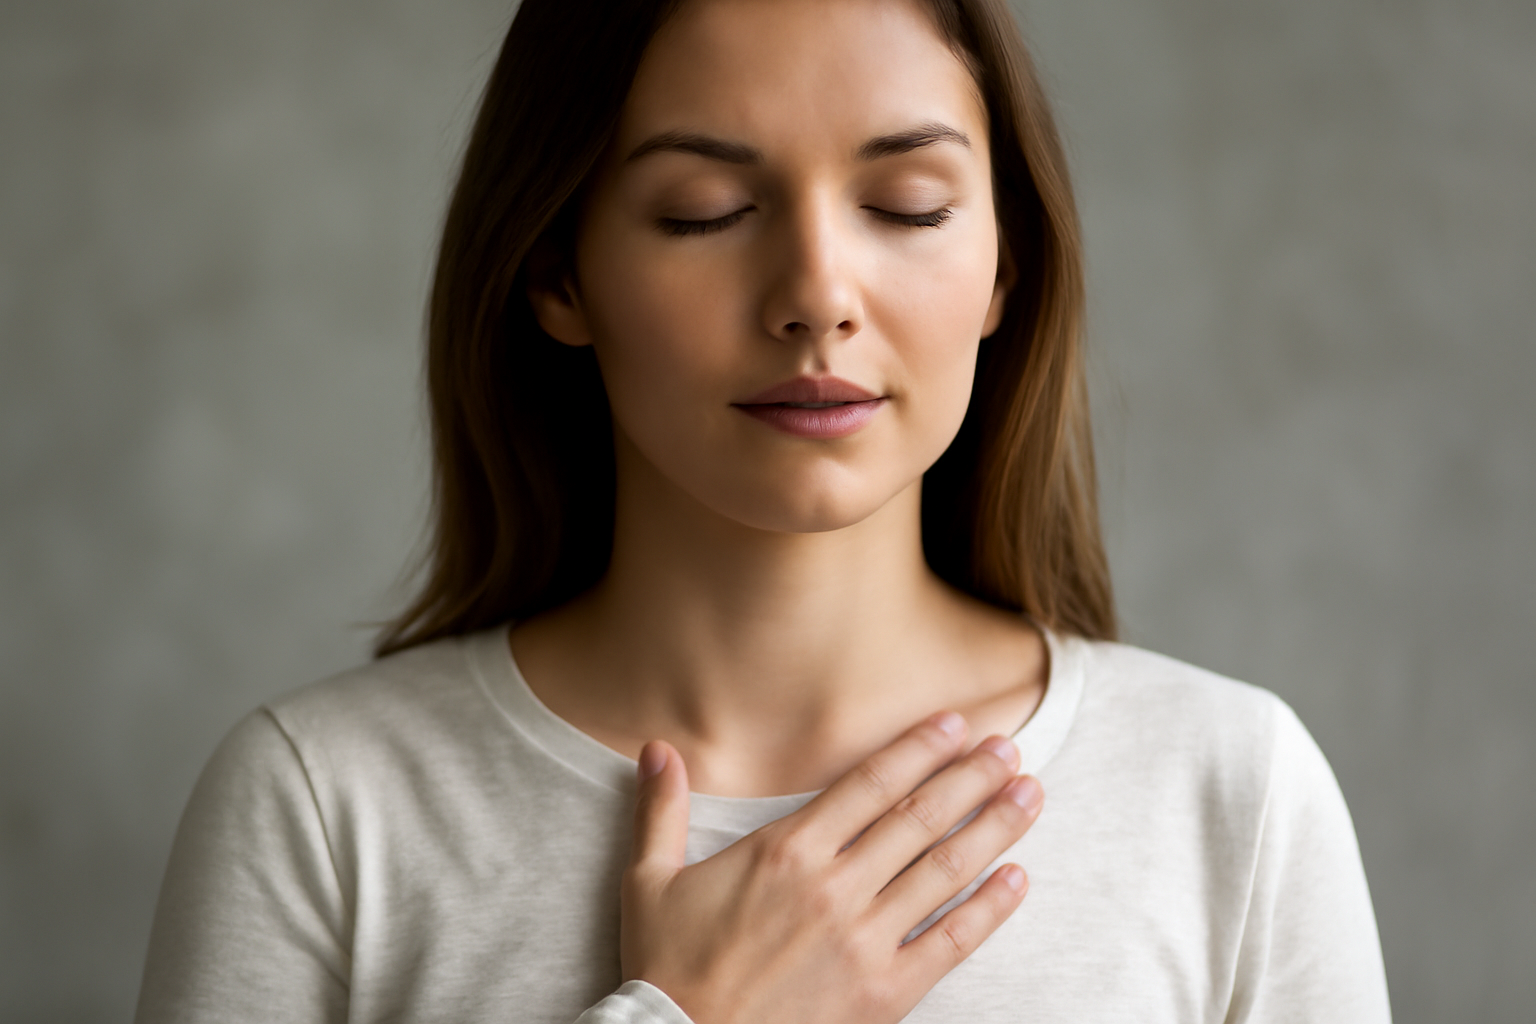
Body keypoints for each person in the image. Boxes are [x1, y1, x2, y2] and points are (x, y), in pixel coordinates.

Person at [134, 0, 1393, 1020]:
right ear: (557, 270)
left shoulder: (1231, 793)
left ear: (1005, 267)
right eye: (707, 213)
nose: (817, 297)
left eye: (907, 206)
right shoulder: (323, 809)